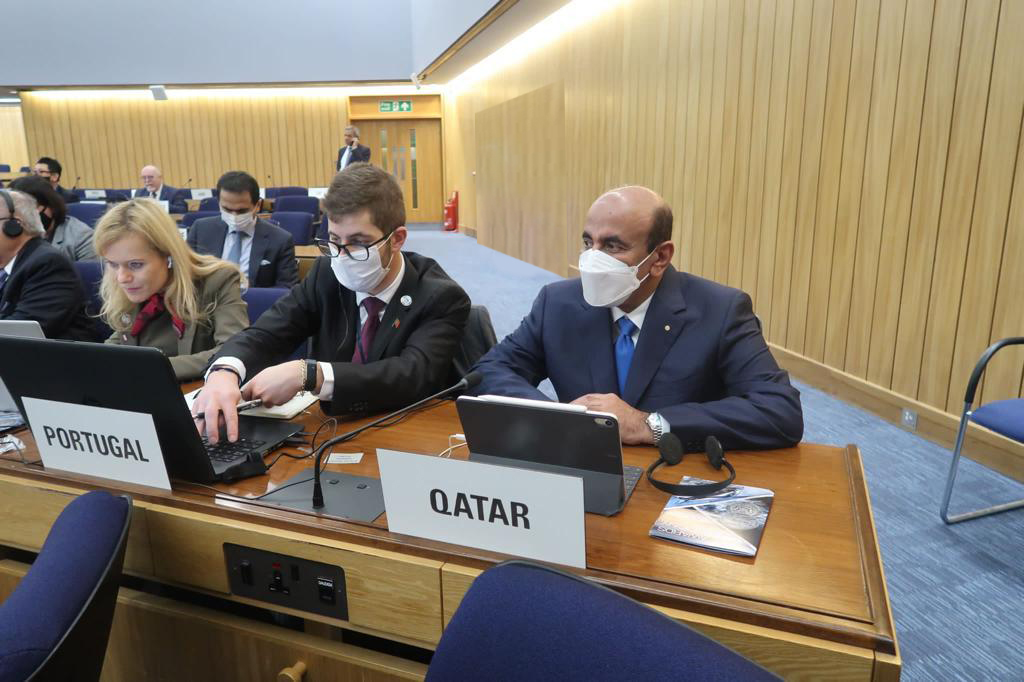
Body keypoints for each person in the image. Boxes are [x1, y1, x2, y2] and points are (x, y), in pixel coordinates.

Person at [471, 186, 803, 451]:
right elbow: (490, 371)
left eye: (612, 246)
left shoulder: (720, 309)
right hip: (584, 469)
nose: (592, 260)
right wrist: (559, 418)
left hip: (674, 476)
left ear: (660, 257)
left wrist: (648, 424)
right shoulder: (558, 303)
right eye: (588, 242)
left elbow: (779, 411)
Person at [194, 162, 471, 443]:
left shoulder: (440, 296)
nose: (342, 256)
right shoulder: (327, 273)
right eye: (334, 240)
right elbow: (269, 331)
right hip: (331, 430)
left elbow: (412, 375)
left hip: (410, 435)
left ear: (397, 239)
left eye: (359, 242)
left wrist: (311, 375)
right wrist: (225, 371)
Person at [93, 199, 249, 381]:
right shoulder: (130, 288)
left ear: (168, 255)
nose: (122, 278)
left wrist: (145, 368)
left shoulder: (218, 280)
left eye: (135, 264)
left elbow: (233, 351)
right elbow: (119, 343)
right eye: (112, 264)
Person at [0, 189, 94, 340]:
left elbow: (21, 330)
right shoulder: (9, 265)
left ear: (14, 226)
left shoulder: (48, 264)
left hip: (58, 353)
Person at [187, 171, 298, 288]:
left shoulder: (281, 240)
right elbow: (185, 274)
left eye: (242, 211)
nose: (234, 216)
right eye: (227, 209)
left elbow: (285, 288)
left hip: (254, 298)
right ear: (219, 203)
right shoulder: (200, 230)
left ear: (258, 205)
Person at [8, 176, 95, 262]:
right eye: (17, 210)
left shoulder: (81, 237)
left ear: (52, 206)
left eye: (30, 208)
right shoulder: (10, 234)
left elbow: (89, 270)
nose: (24, 215)